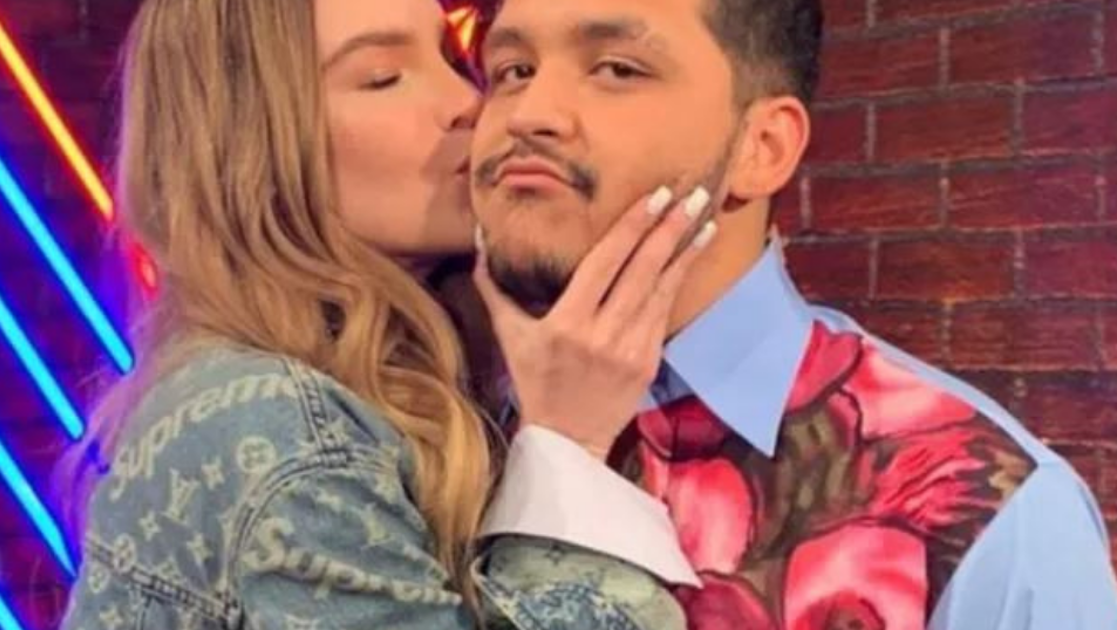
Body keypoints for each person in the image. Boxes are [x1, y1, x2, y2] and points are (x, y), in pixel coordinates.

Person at [56, 0, 712, 628]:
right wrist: (570, 448)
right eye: (383, 77)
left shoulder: (395, 390)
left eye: (453, 60)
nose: (468, 103)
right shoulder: (276, 426)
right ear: (251, 149)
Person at [468, 0, 1117, 627]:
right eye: (514, 71)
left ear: (764, 147)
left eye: (617, 68)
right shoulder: (448, 430)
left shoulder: (989, 514)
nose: (529, 113)